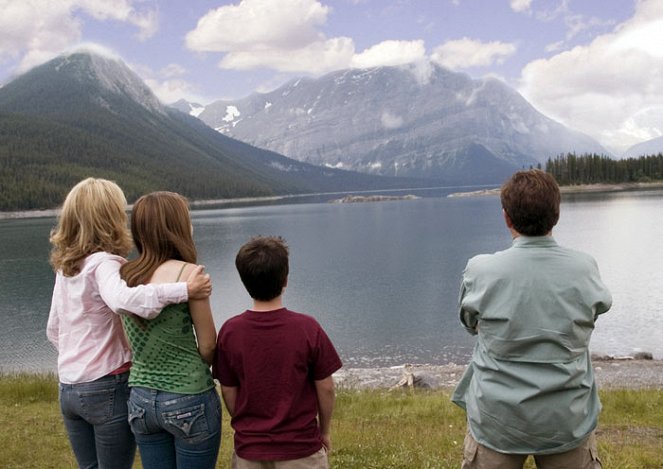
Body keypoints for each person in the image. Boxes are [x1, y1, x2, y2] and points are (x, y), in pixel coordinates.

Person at [451, 169, 612, 468]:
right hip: (566, 419)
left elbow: (469, 324)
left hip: (497, 419)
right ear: (556, 215)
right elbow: (599, 308)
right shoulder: (584, 268)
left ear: (506, 218)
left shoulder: (480, 270)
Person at [47, 178, 212, 469]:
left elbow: (53, 328)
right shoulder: (104, 264)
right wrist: (184, 290)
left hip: (68, 388)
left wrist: (75, 363)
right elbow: (123, 300)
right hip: (106, 384)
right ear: (110, 217)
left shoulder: (67, 268)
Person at [214, 236, 342, 469]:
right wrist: (324, 431)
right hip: (301, 448)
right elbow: (326, 386)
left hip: (249, 451)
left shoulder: (231, 331)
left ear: (244, 281)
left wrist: (248, 426)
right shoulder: (307, 328)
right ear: (285, 280)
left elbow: (228, 389)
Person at [120, 191, 221, 469]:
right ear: (175, 228)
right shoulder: (191, 275)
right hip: (188, 396)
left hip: (140, 399)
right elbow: (208, 345)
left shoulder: (125, 276)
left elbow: (128, 342)